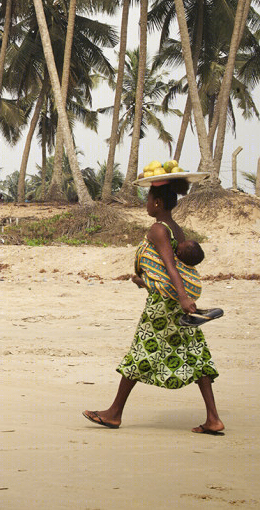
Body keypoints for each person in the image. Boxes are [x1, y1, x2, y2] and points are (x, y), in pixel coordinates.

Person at [83, 179, 223, 435]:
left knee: (140, 352)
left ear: (157, 203)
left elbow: (170, 267)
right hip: (174, 302)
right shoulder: (175, 229)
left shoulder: (159, 229)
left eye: (148, 199)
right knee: (195, 354)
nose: (146, 204)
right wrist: (144, 282)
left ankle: (114, 413)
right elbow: (165, 271)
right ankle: (213, 418)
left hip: (164, 306)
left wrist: (181, 297)